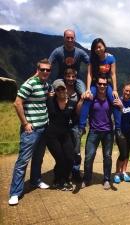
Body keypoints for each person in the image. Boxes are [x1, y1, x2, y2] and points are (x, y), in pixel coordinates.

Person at [8, 59, 51, 206]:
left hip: (44, 128)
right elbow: (17, 102)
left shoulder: (45, 85)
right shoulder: (30, 84)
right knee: (23, 161)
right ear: (37, 70)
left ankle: (35, 181)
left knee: (38, 158)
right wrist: (25, 123)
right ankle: (15, 192)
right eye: (43, 69)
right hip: (31, 130)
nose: (45, 72)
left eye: (48, 70)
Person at [45, 79, 83, 191]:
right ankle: (58, 180)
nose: (61, 91)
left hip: (66, 135)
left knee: (70, 158)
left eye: (63, 88)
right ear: (55, 91)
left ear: (66, 89)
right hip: (52, 136)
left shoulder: (72, 103)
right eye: (58, 89)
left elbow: (75, 118)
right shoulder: (50, 100)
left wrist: (81, 128)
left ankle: (66, 179)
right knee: (60, 159)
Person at [80, 76, 114, 190]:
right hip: (94, 131)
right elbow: (82, 110)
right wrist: (82, 98)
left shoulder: (110, 99)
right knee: (89, 156)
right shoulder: (91, 98)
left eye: (105, 84)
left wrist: (121, 105)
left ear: (107, 85)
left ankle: (107, 179)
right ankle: (87, 178)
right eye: (100, 84)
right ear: (97, 85)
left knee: (107, 157)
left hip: (108, 132)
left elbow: (120, 111)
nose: (102, 86)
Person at [80, 38, 121, 131]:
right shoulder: (93, 59)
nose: (98, 49)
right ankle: (81, 127)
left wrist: (114, 89)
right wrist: (88, 89)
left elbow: (113, 74)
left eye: (99, 47)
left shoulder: (111, 58)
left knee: (115, 101)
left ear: (104, 46)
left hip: (107, 83)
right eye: (95, 48)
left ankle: (118, 129)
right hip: (95, 83)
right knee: (87, 100)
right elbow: (89, 74)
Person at [49, 29, 89, 95]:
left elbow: (90, 63)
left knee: (84, 94)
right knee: (55, 92)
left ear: (75, 39)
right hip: (61, 78)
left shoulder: (80, 52)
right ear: (64, 38)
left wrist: (104, 56)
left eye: (72, 38)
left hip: (76, 79)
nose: (70, 40)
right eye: (67, 37)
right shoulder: (57, 51)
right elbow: (48, 65)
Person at [62, 68, 86, 182]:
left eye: (73, 77)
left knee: (76, 150)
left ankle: (75, 172)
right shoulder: (60, 91)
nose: (71, 79)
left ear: (76, 78)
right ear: (65, 77)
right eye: (68, 76)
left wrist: (81, 101)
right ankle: (65, 172)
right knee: (64, 150)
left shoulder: (78, 92)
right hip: (63, 125)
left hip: (75, 124)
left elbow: (78, 112)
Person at [113, 83, 130, 183]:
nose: (128, 93)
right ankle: (117, 173)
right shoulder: (118, 101)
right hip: (120, 130)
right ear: (123, 90)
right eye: (126, 90)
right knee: (123, 153)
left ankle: (124, 172)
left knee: (127, 153)